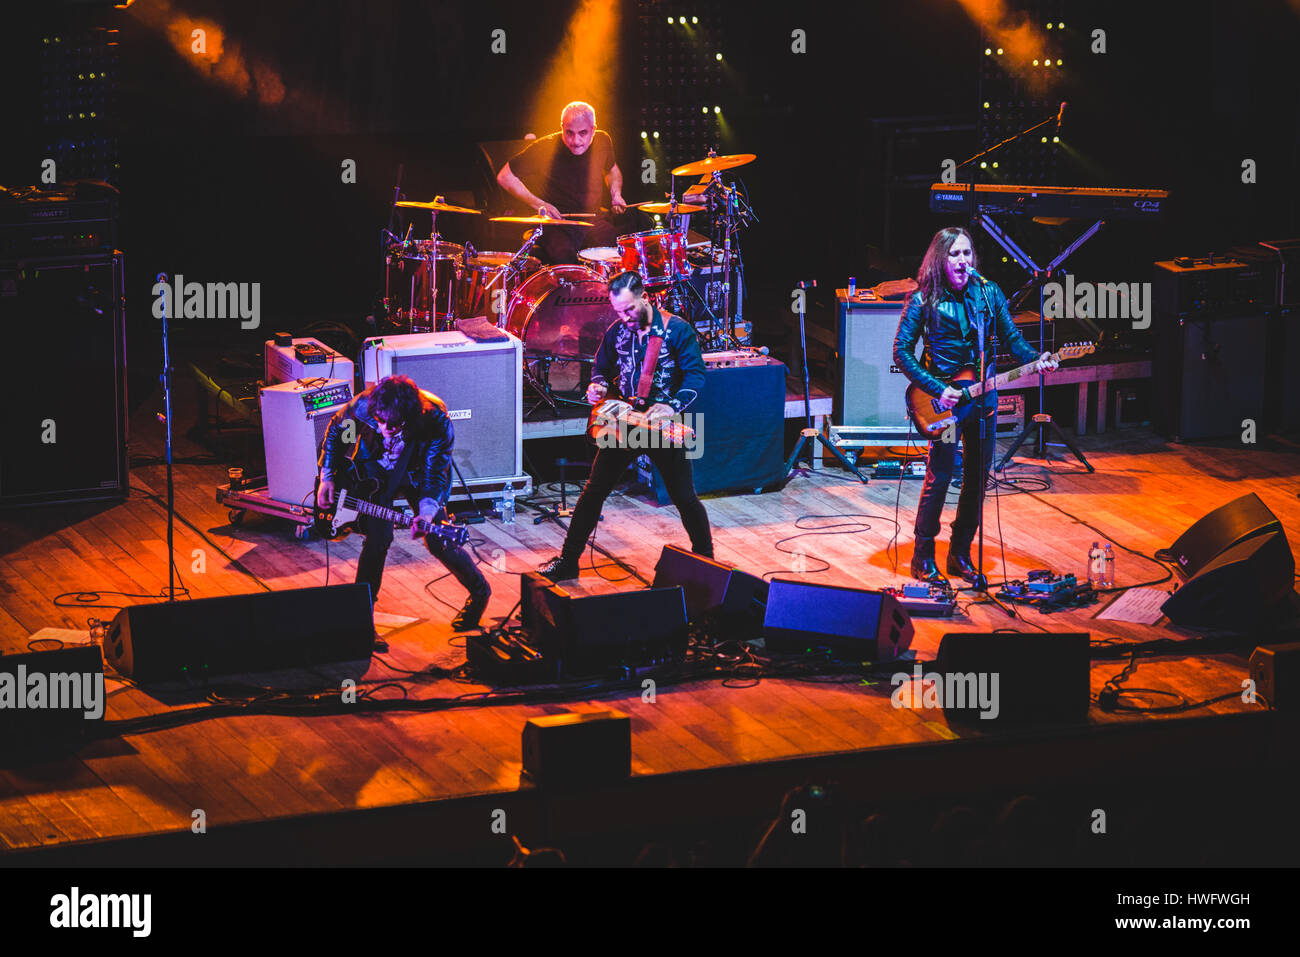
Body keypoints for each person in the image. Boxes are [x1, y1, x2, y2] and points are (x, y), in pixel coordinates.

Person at [893, 226, 1058, 584]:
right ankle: (923, 556)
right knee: (941, 476)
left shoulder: (987, 293)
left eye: (967, 254)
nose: (962, 261)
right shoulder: (924, 299)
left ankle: (960, 553)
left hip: (983, 402)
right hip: (946, 405)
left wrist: (1037, 358)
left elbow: (1013, 340)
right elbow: (901, 352)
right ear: (941, 258)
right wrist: (937, 387)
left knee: (977, 479)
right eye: (955, 254)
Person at [537, 270, 712, 580]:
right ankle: (568, 560)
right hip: (628, 423)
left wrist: (670, 405)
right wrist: (599, 386)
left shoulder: (677, 330)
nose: (626, 317)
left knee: (684, 497)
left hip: (662, 423)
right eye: (619, 311)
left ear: (644, 297)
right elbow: (601, 367)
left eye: (630, 309)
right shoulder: (617, 331)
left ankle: (709, 564)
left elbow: (697, 374)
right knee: (593, 491)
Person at [317, 375, 490, 630]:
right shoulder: (365, 404)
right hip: (375, 470)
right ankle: (361, 620)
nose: (385, 429)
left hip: (418, 474)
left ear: (409, 417)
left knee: (437, 539)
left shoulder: (436, 421)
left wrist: (427, 512)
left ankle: (479, 593)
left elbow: (434, 475)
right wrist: (328, 476)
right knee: (377, 540)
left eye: (394, 424)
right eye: (380, 421)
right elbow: (336, 431)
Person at [495, 101, 645, 264]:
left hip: (593, 219)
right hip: (557, 224)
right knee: (565, 257)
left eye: (583, 133)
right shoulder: (545, 148)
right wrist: (539, 204)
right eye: (569, 133)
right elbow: (504, 176)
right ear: (562, 127)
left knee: (618, 251)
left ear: (593, 129)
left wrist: (616, 194)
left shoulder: (602, 140)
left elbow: (612, 169)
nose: (576, 140)